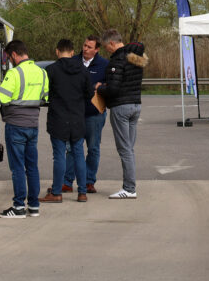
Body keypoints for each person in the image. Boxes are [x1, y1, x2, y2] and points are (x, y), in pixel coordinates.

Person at [0, 39, 49, 218]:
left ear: (15, 55)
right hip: (33, 124)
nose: (10, 61)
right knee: (32, 167)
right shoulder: (42, 73)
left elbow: (2, 98)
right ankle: (34, 206)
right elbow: (46, 98)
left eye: (9, 58)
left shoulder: (14, 73)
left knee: (17, 167)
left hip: (16, 125)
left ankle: (18, 207)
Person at [40, 39, 94, 203]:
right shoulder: (83, 71)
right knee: (78, 154)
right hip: (77, 118)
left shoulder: (51, 70)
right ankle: (82, 192)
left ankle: (56, 192)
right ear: (72, 52)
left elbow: (44, 94)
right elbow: (89, 94)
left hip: (58, 118)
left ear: (57, 51)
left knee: (59, 156)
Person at [97, 29, 147, 199]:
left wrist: (99, 88)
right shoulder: (136, 57)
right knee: (129, 149)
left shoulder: (117, 61)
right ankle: (130, 186)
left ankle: (129, 188)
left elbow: (113, 89)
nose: (106, 50)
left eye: (106, 47)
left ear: (112, 43)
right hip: (135, 105)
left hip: (121, 107)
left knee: (124, 149)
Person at [62, 35, 110, 194]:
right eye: (84, 45)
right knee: (70, 148)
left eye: (89, 47)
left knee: (93, 148)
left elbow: (111, 86)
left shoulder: (104, 65)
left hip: (94, 114)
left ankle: (89, 181)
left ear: (96, 49)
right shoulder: (73, 61)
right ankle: (67, 182)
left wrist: (102, 86)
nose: (85, 49)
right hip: (74, 113)